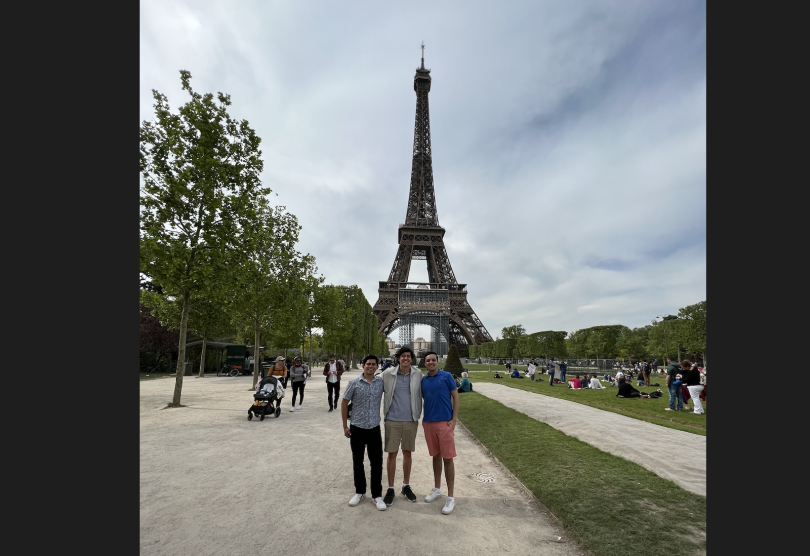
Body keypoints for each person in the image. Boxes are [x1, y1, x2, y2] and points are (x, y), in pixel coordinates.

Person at [341, 354, 387, 510]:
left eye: (374, 364)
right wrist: (344, 426)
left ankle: (376, 495)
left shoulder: (381, 382)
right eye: (368, 364)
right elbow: (344, 402)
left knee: (377, 463)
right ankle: (360, 491)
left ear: (377, 367)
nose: (371, 366)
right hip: (357, 428)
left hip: (374, 428)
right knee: (358, 461)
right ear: (363, 366)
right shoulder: (354, 383)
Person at [380, 347, 423, 506]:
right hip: (392, 420)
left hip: (411, 420)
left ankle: (406, 485)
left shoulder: (418, 374)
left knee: (407, 453)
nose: (406, 358)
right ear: (398, 358)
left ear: (412, 358)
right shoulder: (387, 374)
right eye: (403, 356)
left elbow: (428, 392)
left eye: (408, 356)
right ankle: (390, 488)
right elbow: (374, 387)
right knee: (392, 454)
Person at [421, 351, 460, 515]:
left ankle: (450, 497)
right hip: (429, 422)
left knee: (448, 459)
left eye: (433, 360)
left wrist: (454, 419)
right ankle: (437, 489)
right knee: (435, 456)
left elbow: (456, 397)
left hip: (444, 423)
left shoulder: (447, 376)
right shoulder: (423, 381)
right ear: (425, 363)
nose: (431, 362)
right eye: (428, 360)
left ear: (438, 361)